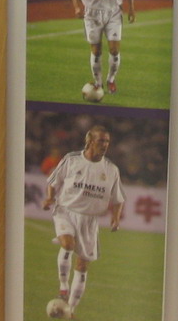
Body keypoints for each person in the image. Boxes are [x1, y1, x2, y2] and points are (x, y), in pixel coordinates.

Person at [42, 126, 125, 317]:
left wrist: (115, 219)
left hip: (89, 221)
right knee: (68, 244)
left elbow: (118, 199)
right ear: (89, 141)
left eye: (107, 141)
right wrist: (49, 198)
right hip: (66, 211)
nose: (104, 145)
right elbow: (53, 182)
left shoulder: (111, 170)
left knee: (82, 266)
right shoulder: (72, 160)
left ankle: (70, 308)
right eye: (100, 140)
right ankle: (63, 287)